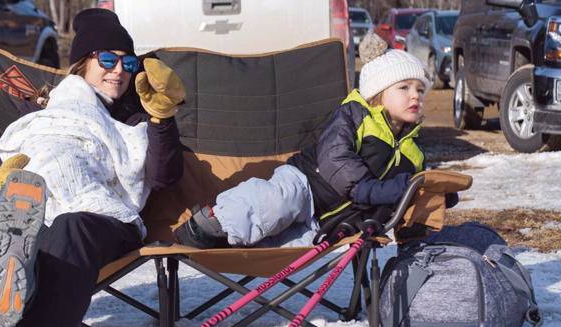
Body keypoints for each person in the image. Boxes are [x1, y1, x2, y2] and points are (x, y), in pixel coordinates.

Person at [0, 8, 185, 327]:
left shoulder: (137, 114)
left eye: (129, 62)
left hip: (100, 214)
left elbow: (162, 177)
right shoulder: (57, 104)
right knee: (6, 207)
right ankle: (5, 317)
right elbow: (37, 144)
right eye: (108, 60)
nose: (119, 71)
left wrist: (162, 118)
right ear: (83, 62)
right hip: (37, 203)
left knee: (69, 228)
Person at [174, 49, 450, 249]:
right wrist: (368, 190)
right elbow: (335, 159)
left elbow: (412, 190)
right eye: (404, 87)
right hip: (306, 183)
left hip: (327, 221)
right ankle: (211, 222)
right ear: (377, 95)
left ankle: (228, 244)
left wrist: (438, 194)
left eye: (420, 90)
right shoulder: (354, 116)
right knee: (275, 202)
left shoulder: (414, 152)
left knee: (286, 245)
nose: (416, 95)